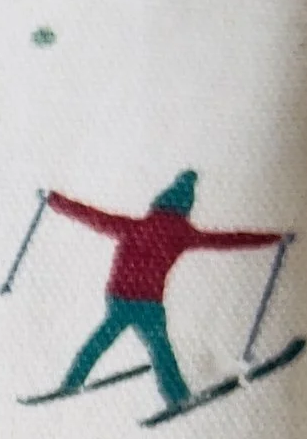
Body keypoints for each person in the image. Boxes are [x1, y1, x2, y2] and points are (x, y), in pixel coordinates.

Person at [47, 170, 285, 414]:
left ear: (159, 203)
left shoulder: (134, 227)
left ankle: (72, 382)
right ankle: (177, 396)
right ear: (185, 210)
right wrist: (274, 238)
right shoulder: (183, 235)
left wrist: (54, 200)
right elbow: (228, 240)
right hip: (149, 303)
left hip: (120, 297)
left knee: (100, 340)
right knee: (160, 349)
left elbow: (92, 216)